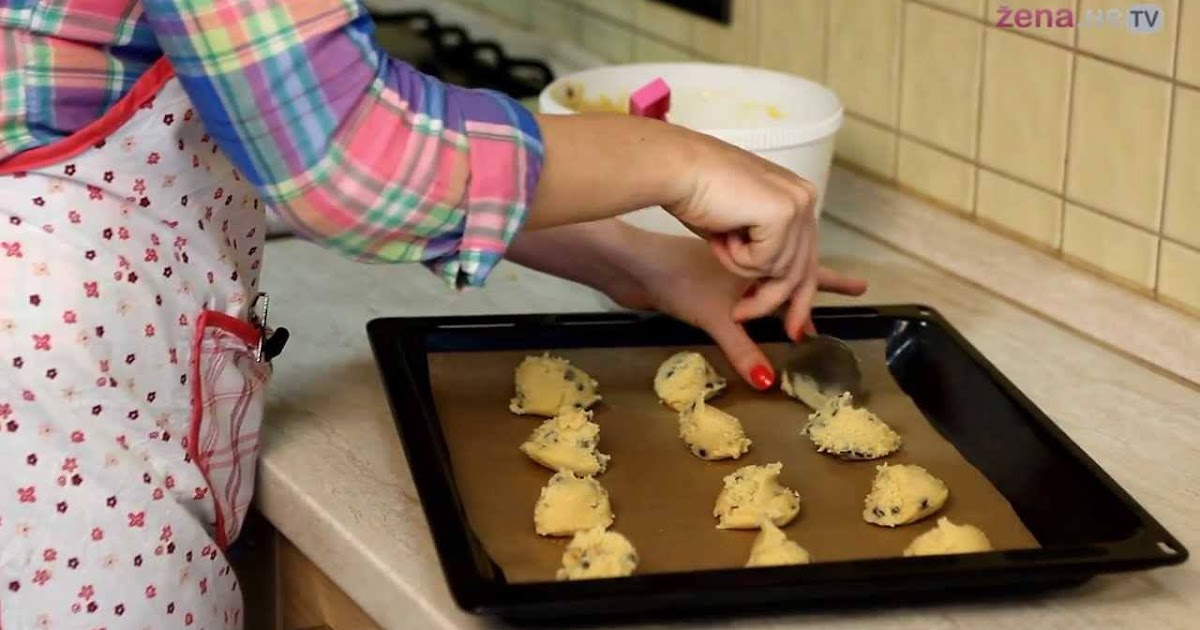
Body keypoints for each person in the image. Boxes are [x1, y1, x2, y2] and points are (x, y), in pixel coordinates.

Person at [0, 1, 866, 627]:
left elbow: (271, 119)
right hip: (50, 451)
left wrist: (631, 256)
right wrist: (683, 163)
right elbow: (349, 155)